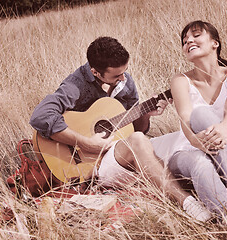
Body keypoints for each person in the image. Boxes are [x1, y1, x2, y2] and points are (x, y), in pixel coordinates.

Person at [30, 36, 212, 222]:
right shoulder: (75, 86)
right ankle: (188, 203)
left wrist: (146, 114)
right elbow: (41, 116)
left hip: (119, 154)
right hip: (91, 167)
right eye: (116, 75)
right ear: (96, 72)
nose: (123, 78)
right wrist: (86, 143)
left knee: (182, 138)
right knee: (139, 141)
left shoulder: (125, 82)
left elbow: (136, 129)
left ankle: (225, 190)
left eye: (125, 71)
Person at [151, 21, 227, 221]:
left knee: (202, 115)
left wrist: (223, 129)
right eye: (185, 40)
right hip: (189, 150)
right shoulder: (180, 80)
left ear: (215, 43)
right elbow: (185, 118)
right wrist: (196, 142)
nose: (189, 41)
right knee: (200, 159)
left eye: (196, 35)